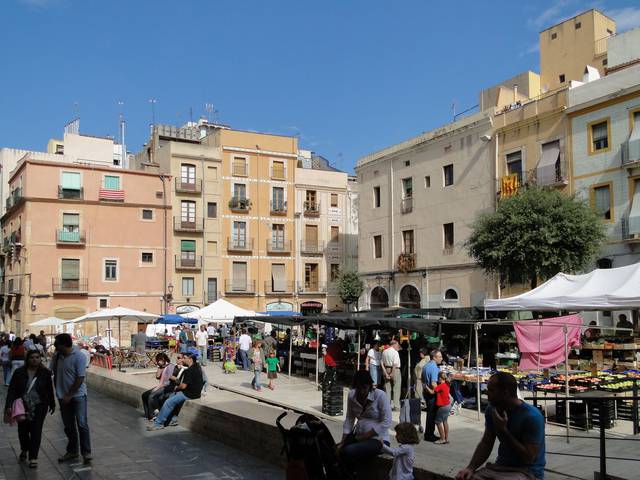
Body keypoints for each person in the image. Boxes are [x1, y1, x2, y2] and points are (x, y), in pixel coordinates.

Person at [456, 372, 545, 480]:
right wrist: (470, 467)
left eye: (491, 390)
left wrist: (503, 431)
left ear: (505, 393)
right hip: (500, 467)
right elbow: (486, 442)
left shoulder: (532, 416)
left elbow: (528, 458)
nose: (486, 393)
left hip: (527, 472)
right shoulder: (492, 410)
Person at [4, 350, 56, 468]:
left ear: (40, 359)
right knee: (23, 430)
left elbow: (49, 390)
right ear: (27, 359)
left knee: (36, 430)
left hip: (39, 406)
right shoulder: (19, 373)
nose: (34, 359)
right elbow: (12, 390)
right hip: (22, 405)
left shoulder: (45, 373)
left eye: (37, 357)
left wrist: (52, 404)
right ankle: (24, 449)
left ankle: (33, 457)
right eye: (32, 357)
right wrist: (8, 405)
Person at [340, 370, 392, 473]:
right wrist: (343, 441)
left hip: (378, 440)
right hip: (359, 437)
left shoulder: (379, 395)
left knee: (348, 451)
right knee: (338, 450)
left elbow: (387, 421)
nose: (362, 391)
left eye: (364, 388)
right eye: (359, 388)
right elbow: (350, 419)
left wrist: (366, 436)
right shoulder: (352, 396)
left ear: (370, 386)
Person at [51, 333, 92, 464]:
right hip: (62, 396)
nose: (55, 347)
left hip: (78, 396)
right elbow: (49, 371)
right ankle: (72, 451)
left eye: (56, 344)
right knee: (68, 426)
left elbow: (80, 378)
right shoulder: (57, 356)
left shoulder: (79, 356)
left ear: (64, 345)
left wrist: (69, 395)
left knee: (82, 424)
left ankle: (86, 452)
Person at [147, 352, 203, 431]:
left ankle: (158, 423)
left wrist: (176, 388)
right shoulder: (197, 367)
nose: (183, 360)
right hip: (196, 393)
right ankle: (173, 419)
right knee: (171, 396)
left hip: (189, 394)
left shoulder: (189, 370)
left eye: (185, 358)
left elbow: (183, 386)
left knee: (168, 402)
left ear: (190, 359)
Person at [141, 353, 174, 420]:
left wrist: (160, 387)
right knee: (144, 395)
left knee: (151, 396)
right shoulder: (162, 367)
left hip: (166, 386)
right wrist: (160, 368)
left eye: (158, 360)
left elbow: (169, 380)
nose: (157, 362)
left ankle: (152, 415)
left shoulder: (170, 366)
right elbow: (157, 377)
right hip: (160, 386)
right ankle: (147, 414)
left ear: (163, 359)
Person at [426, 371, 451, 445]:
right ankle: (446, 438)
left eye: (438, 378)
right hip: (448, 405)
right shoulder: (447, 384)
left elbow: (432, 392)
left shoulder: (441, 386)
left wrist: (426, 387)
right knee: (445, 421)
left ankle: (442, 439)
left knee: (437, 421)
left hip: (442, 407)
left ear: (440, 378)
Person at [422, 349, 442, 442]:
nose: (441, 358)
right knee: (431, 415)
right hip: (431, 394)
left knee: (430, 414)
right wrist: (436, 391)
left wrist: (426, 389)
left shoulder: (426, 365)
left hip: (426, 392)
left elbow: (422, 380)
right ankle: (429, 435)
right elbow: (434, 384)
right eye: (440, 357)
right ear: (434, 357)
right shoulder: (434, 367)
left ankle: (429, 434)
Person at [381, 340, 402, 411]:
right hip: (395, 370)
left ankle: (387, 405)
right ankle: (396, 406)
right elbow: (395, 364)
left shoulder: (384, 351)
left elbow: (382, 363)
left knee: (387, 388)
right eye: (397, 344)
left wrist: (386, 373)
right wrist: (392, 373)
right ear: (394, 345)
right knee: (396, 388)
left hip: (386, 368)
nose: (398, 346)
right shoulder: (395, 352)